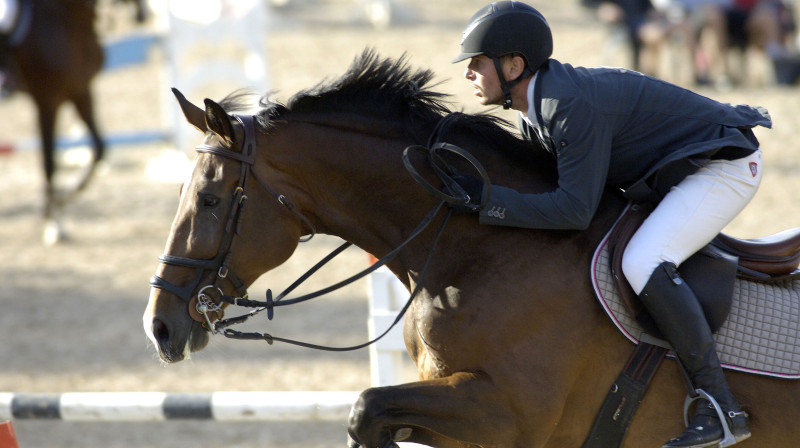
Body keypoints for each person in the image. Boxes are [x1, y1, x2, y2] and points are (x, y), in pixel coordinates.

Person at [451, 2, 771, 447]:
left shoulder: (564, 103)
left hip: (723, 168)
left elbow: (572, 210)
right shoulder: (536, 109)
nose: (468, 72)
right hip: (672, 173)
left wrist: (487, 201)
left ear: (513, 65)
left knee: (643, 260)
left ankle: (720, 407)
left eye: (477, 63)